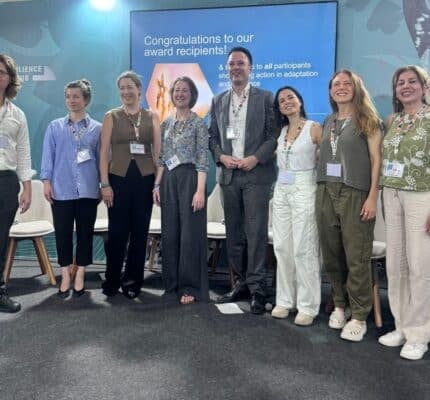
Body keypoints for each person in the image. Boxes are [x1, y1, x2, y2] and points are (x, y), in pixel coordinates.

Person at [209, 47, 277, 314]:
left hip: (256, 176)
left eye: (241, 63)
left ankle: (258, 289)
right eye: (231, 64)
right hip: (228, 175)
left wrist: (256, 158)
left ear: (250, 68)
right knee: (234, 234)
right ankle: (239, 284)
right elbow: (213, 137)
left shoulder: (266, 98)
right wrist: (221, 156)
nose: (235, 68)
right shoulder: (218, 100)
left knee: (256, 233)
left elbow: (273, 136)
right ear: (227, 68)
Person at [316, 69, 382, 341]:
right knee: (331, 254)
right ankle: (340, 305)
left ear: (356, 88)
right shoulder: (329, 121)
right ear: (330, 91)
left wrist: (372, 197)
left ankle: (359, 315)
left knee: (356, 256)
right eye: (336, 84)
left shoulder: (369, 120)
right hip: (325, 190)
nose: (341, 88)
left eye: (346, 83)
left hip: (355, 192)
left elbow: (376, 160)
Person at [378, 65, 430, 360]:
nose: (406, 86)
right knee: (396, 264)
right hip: (392, 194)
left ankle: (420, 334)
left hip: (422, 196)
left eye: (413, 81)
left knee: (420, 266)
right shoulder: (392, 120)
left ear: (424, 87)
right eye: (401, 83)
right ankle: (401, 326)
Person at [100, 71, 161, 299]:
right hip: (118, 179)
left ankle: (133, 281)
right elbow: (103, 152)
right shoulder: (111, 116)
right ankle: (112, 280)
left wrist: (158, 183)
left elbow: (158, 154)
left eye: (130, 87)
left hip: (144, 180)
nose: (126, 92)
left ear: (139, 89)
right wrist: (105, 183)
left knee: (139, 233)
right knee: (117, 232)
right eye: (122, 88)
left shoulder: (152, 116)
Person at [40, 79, 101, 298]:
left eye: (76, 96)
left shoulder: (97, 129)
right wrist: (46, 181)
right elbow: (48, 157)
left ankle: (81, 273)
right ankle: (65, 273)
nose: (71, 100)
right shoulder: (55, 126)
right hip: (61, 189)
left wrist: (103, 185)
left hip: (88, 190)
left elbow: (103, 160)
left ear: (86, 99)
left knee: (85, 234)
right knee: (63, 234)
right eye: (68, 96)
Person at [153, 76, 209, 304]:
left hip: (190, 180)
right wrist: (157, 184)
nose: (180, 94)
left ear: (192, 94)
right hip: (168, 181)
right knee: (170, 234)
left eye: (185, 90)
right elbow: (162, 158)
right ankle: (171, 285)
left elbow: (203, 159)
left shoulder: (199, 123)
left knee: (189, 236)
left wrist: (200, 191)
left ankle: (189, 287)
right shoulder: (166, 123)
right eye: (176, 90)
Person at [270, 86, 322, 325]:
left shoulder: (314, 128)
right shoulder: (281, 132)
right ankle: (284, 300)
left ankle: (307, 306)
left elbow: (327, 158)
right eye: (282, 100)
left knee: (304, 247)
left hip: (304, 187)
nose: (287, 102)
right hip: (281, 189)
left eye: (290, 97)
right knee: (282, 247)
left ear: (300, 101)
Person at [0, 54, 34, 313]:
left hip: (7, 181)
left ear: (10, 78)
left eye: (2, 72)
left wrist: (27, 187)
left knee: (1, 239)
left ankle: (0, 292)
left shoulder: (17, 114)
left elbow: (23, 152)